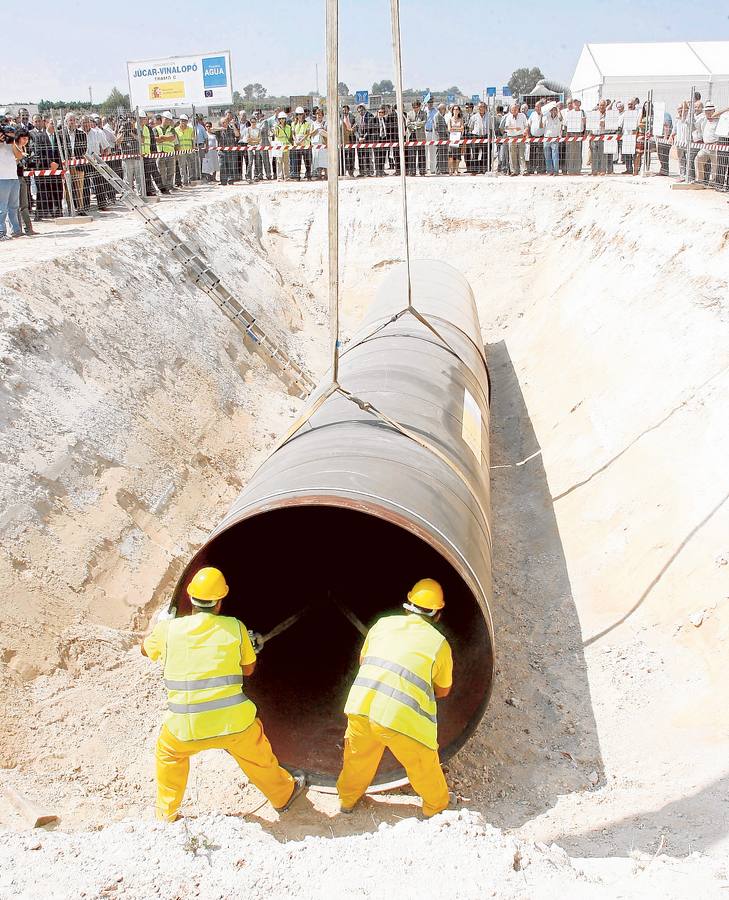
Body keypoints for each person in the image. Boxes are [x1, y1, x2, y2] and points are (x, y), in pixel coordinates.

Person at [142, 566, 306, 822]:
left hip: (185, 727)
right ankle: (284, 795)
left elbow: (146, 651)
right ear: (220, 602)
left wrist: (160, 626)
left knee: (168, 756)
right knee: (258, 756)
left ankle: (167, 815)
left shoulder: (168, 631)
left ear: (189, 598)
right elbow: (248, 670)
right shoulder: (235, 627)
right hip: (233, 724)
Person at [336, 578, 456, 818]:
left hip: (361, 706)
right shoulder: (439, 645)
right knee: (422, 765)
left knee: (357, 760)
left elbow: (364, 660)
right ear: (437, 614)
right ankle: (437, 807)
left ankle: (347, 801)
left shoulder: (382, 625)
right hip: (401, 718)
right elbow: (443, 690)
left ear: (408, 604)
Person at [694, 103, 728, 185]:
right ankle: (700, 179)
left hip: (715, 145)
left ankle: (713, 182)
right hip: (706, 146)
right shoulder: (704, 120)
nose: (708, 113)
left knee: (715, 165)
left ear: (714, 111)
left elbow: (716, 114)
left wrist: (727, 108)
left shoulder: (719, 120)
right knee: (698, 159)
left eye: (710, 111)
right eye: (706, 111)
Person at [0, 124, 22, 239]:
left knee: (14, 207)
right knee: (2, 208)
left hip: (13, 177)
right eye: (9, 133)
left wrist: (13, 142)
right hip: (2, 178)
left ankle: (16, 230)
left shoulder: (14, 144)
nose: (11, 135)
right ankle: (1, 231)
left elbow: (19, 155)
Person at [14, 129, 36, 235]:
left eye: (27, 139)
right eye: (23, 139)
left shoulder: (24, 147)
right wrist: (19, 158)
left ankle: (28, 228)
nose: (25, 141)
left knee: (24, 205)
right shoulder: (14, 148)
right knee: (15, 206)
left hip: (21, 177)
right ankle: (17, 229)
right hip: (13, 178)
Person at [155, 112, 178, 192]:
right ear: (162, 118)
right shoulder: (156, 128)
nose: (168, 121)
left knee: (171, 170)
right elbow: (156, 139)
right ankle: (164, 188)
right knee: (161, 171)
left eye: (169, 120)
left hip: (170, 153)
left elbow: (172, 138)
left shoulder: (171, 129)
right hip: (160, 152)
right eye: (166, 119)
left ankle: (170, 186)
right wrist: (165, 138)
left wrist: (162, 137)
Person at [503, 103, 528, 176]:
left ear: (518, 109)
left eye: (516, 109)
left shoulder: (522, 116)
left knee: (521, 154)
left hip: (520, 136)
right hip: (511, 137)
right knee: (512, 155)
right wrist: (514, 128)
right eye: (513, 109)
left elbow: (526, 125)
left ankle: (523, 171)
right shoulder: (508, 117)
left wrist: (526, 131)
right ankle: (514, 171)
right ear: (510, 110)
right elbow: (506, 127)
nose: (514, 111)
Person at [405, 99, 427, 176]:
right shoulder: (409, 114)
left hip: (421, 136)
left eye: (416, 107)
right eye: (414, 107)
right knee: (412, 155)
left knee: (421, 154)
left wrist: (414, 123)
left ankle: (422, 171)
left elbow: (424, 122)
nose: (415, 108)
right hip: (411, 136)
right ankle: (412, 171)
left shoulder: (424, 113)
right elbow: (407, 124)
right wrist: (416, 126)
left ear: (419, 106)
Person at [290, 107, 312, 181]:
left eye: (301, 114)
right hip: (297, 145)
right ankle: (297, 176)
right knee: (297, 161)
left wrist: (301, 140)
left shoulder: (307, 124)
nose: (299, 116)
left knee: (307, 161)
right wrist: (296, 141)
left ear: (303, 114)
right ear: (296, 115)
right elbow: (293, 134)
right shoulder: (293, 124)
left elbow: (307, 134)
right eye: (298, 114)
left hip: (305, 145)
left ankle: (308, 176)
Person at [174, 114, 194, 187]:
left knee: (190, 166)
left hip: (189, 150)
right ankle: (184, 182)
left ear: (187, 121)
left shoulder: (191, 129)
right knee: (182, 167)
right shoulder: (175, 130)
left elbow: (193, 140)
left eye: (185, 121)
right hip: (181, 151)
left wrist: (193, 148)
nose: (183, 122)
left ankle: (190, 180)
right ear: (179, 121)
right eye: (182, 121)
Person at [542, 105, 562, 175]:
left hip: (555, 139)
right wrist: (542, 116)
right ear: (550, 111)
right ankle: (549, 171)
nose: (553, 111)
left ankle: (556, 171)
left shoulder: (559, 118)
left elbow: (561, 118)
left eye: (555, 110)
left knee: (555, 156)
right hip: (547, 138)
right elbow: (541, 126)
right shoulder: (546, 118)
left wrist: (558, 110)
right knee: (547, 156)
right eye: (552, 110)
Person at [355, 103, 374, 176]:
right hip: (359, 140)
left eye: (362, 110)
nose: (360, 112)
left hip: (367, 139)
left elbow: (370, 128)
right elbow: (355, 130)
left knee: (368, 155)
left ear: (365, 109)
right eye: (359, 111)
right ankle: (362, 172)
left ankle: (369, 171)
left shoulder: (370, 116)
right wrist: (359, 137)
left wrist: (364, 137)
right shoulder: (357, 118)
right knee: (360, 156)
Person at [273, 111, 292, 182]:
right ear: (279, 119)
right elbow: (276, 135)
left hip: (286, 146)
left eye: (283, 118)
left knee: (286, 162)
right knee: (279, 162)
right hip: (279, 145)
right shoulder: (276, 127)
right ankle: (280, 177)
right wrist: (276, 129)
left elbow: (289, 136)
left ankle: (287, 176)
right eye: (280, 119)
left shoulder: (288, 127)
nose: (282, 120)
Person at [310, 108, 328, 179]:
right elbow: (310, 134)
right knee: (317, 160)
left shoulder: (325, 123)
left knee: (325, 160)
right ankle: (319, 175)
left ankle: (326, 175)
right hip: (316, 144)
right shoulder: (313, 124)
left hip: (324, 144)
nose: (319, 116)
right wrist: (316, 130)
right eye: (317, 114)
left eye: (320, 114)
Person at [433, 103, 449, 175]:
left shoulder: (442, 116)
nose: (445, 110)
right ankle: (438, 170)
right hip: (440, 139)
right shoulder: (437, 116)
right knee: (439, 155)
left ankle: (444, 169)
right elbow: (437, 128)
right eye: (444, 108)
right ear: (441, 109)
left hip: (444, 139)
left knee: (444, 155)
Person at [447, 105, 464, 175]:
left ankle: (456, 170)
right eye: (454, 109)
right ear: (452, 110)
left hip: (458, 139)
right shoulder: (450, 119)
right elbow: (449, 129)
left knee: (458, 156)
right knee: (450, 155)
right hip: (451, 139)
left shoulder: (461, 119)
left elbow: (462, 128)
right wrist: (458, 129)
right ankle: (451, 170)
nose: (456, 110)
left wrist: (454, 129)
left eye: (457, 109)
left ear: (459, 111)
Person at [340, 105, 356, 177]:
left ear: (348, 110)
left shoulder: (352, 117)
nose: (344, 111)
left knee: (351, 156)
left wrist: (352, 129)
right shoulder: (340, 117)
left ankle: (351, 172)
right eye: (343, 110)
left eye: (346, 110)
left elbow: (355, 125)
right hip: (343, 138)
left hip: (351, 137)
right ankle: (343, 171)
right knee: (343, 155)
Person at [374, 107, 389, 176]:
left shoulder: (386, 120)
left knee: (383, 156)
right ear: (377, 113)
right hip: (377, 140)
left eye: (382, 112)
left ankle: (382, 170)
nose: (381, 114)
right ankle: (377, 171)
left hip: (384, 139)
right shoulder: (374, 120)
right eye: (379, 112)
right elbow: (370, 130)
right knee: (377, 156)